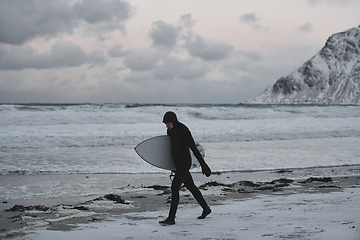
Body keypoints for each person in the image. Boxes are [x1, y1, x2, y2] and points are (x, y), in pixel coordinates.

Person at [159, 111, 212, 226]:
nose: (166, 126)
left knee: (174, 188)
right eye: (165, 124)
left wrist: (203, 164)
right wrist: (171, 165)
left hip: (184, 162)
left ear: (173, 121)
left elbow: (193, 148)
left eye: (168, 123)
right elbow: (171, 149)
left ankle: (171, 218)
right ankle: (206, 209)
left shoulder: (183, 130)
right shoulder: (170, 131)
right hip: (177, 163)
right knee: (191, 186)